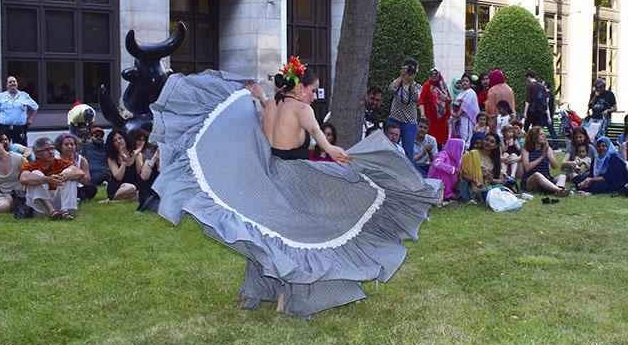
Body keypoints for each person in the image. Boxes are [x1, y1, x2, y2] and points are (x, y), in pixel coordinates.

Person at [151, 61, 441, 319]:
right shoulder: (302, 109)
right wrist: (345, 157)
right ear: (300, 88)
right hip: (297, 177)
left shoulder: (271, 106)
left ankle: (261, 292)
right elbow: (322, 143)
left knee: (271, 234)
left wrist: (262, 96)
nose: (314, 96)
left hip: (271, 175)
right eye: (313, 90)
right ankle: (287, 296)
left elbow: (269, 113)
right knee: (307, 231)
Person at [19, 137, 81, 220]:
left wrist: (66, 176)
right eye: (46, 150)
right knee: (36, 174)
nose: (51, 152)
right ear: (37, 154)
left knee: (69, 172)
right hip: (39, 205)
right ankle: (51, 211)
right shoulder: (30, 166)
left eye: (52, 149)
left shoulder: (60, 162)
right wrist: (47, 179)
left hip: (57, 202)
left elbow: (80, 172)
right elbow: (23, 179)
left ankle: (67, 211)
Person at [387, 58, 422, 162]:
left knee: (408, 151)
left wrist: (411, 84)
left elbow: (417, 98)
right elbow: (390, 90)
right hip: (394, 119)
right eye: (408, 70)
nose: (410, 73)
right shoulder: (397, 83)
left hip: (409, 123)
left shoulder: (418, 87)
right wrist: (402, 76)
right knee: (391, 148)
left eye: (412, 71)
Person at [521, 126, 568, 196]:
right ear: (534, 137)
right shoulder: (526, 149)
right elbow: (527, 168)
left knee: (562, 176)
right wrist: (542, 156)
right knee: (537, 174)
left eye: (544, 134)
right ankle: (559, 190)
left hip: (546, 178)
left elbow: (555, 166)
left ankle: (558, 190)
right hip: (530, 180)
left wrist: (548, 153)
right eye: (541, 134)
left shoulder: (547, 149)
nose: (544, 136)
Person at [460, 131, 507, 202]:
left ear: (496, 146)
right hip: (476, 190)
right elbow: (463, 174)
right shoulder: (472, 154)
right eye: (487, 139)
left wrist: (492, 180)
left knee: (498, 188)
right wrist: (474, 180)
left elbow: (502, 180)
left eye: (492, 142)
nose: (488, 142)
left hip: (489, 187)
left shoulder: (494, 159)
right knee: (491, 193)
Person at [0, 76, 38, 146]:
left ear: (17, 84)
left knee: (21, 149)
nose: (12, 83)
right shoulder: (0, 96)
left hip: (20, 128)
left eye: (14, 81)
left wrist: (30, 119)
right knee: (2, 148)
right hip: (4, 128)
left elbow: (35, 107)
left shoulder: (24, 96)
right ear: (6, 85)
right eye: (10, 82)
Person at [0, 132, 25, 213]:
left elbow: (28, 177)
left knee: (0, 207)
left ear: (2, 142)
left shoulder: (18, 159)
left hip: (14, 195)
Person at [55, 132, 95, 201]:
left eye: (72, 144)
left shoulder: (81, 160)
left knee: (92, 188)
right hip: (62, 186)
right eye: (66, 145)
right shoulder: (56, 159)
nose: (70, 147)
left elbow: (87, 181)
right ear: (60, 147)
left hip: (79, 186)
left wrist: (75, 171)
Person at [418, 68, 451, 146]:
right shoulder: (426, 85)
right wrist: (423, 115)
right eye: (431, 74)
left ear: (439, 75)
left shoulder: (443, 86)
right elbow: (421, 101)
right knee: (430, 140)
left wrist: (446, 98)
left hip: (442, 120)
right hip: (430, 119)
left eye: (435, 74)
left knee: (441, 142)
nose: (433, 76)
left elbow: (450, 100)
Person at [105, 129, 139, 201]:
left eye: (120, 138)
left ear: (125, 138)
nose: (119, 141)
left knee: (143, 193)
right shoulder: (112, 158)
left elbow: (139, 173)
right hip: (119, 186)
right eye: (115, 140)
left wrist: (137, 156)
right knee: (130, 188)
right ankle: (114, 197)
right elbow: (118, 177)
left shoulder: (135, 153)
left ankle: (116, 201)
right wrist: (124, 161)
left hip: (134, 184)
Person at [427, 137, 464, 202]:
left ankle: (449, 193)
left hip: (450, 185)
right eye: (460, 149)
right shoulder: (443, 154)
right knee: (444, 172)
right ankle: (446, 194)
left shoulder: (456, 161)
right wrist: (452, 169)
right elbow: (436, 163)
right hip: (436, 182)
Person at [450, 74, 479, 144]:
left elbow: (465, 105)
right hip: (460, 119)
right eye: (462, 81)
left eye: (466, 81)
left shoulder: (470, 92)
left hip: (467, 118)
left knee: (465, 138)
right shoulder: (461, 93)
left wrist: (457, 114)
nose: (464, 82)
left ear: (470, 83)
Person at [81, 126, 111, 190]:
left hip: (104, 172)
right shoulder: (86, 147)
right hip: (90, 172)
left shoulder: (107, 147)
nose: (99, 137)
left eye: (101, 136)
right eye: (96, 135)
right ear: (91, 137)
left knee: (96, 178)